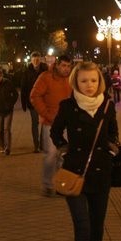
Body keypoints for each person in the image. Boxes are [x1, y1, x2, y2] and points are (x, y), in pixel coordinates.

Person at [51, 61, 119, 241]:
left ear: (99, 81)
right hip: (75, 172)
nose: (89, 85)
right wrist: (64, 148)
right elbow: (55, 132)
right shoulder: (68, 106)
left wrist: (112, 145)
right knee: (83, 226)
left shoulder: (107, 104)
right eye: (84, 81)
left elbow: (113, 131)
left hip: (100, 172)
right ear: (76, 82)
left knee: (97, 226)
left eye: (93, 80)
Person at [30, 54, 73, 196]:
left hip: (68, 123)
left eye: (68, 66)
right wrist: (46, 114)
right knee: (51, 155)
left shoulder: (71, 79)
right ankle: (48, 184)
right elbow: (34, 96)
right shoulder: (46, 77)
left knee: (64, 155)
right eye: (64, 66)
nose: (66, 69)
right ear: (57, 64)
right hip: (51, 123)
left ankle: (61, 184)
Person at [20, 52, 48, 152]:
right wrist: (23, 103)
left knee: (44, 123)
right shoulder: (27, 72)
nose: (36, 61)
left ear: (40, 60)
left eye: (37, 59)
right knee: (35, 123)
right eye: (34, 60)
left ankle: (42, 144)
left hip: (44, 102)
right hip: (32, 103)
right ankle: (36, 145)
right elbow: (24, 88)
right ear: (31, 60)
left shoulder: (45, 70)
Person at [0, 69, 19, 155]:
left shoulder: (8, 83)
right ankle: (2, 145)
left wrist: (10, 104)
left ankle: (7, 148)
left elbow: (15, 94)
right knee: (0, 130)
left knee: (7, 129)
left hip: (8, 110)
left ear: (2, 76)